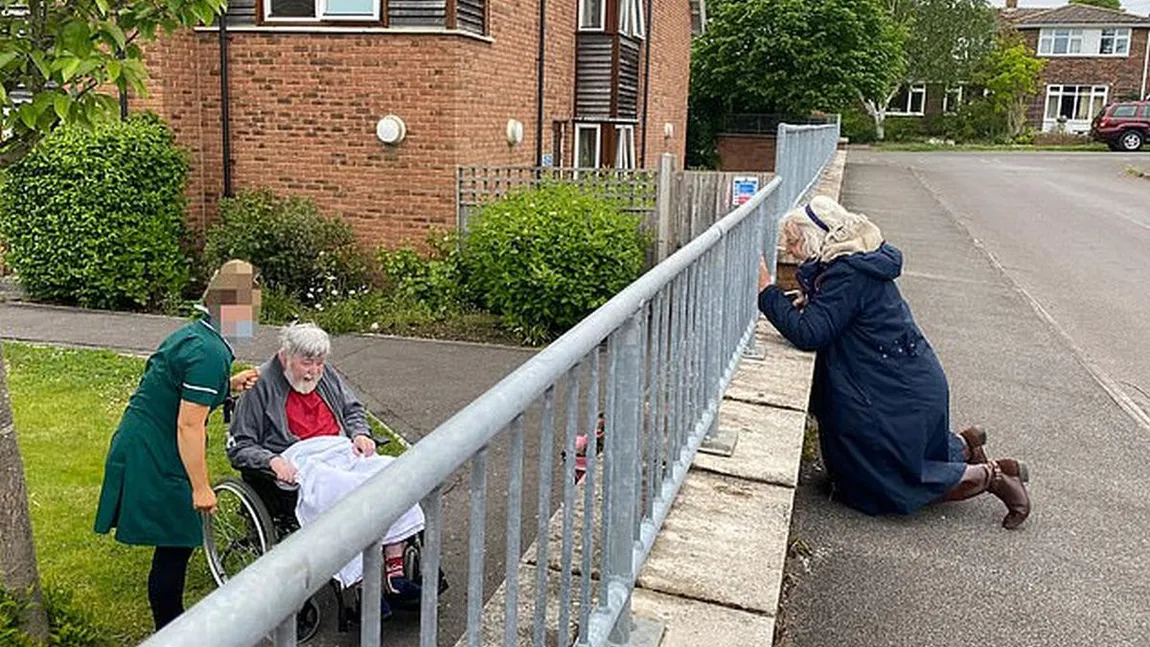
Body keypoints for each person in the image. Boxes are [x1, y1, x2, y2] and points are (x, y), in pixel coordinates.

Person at [756, 195, 1031, 529]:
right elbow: (838, 313)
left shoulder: (847, 275)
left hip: (893, 388)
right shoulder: (853, 263)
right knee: (869, 465)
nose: (789, 249)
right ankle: (965, 445)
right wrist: (813, 299)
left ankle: (995, 476)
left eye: (794, 240)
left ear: (817, 238)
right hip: (904, 379)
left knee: (888, 478)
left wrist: (766, 291)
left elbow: (809, 333)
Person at [94, 260, 263, 630]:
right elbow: (189, 424)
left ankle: (171, 627)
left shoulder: (196, 335)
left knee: (175, 541)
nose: (254, 316)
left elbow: (176, 390)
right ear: (232, 308)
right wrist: (201, 487)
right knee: (177, 541)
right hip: (156, 449)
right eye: (251, 308)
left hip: (148, 438)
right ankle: (171, 630)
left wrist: (228, 384)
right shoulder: (208, 352)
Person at [226, 322, 427, 611]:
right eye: (307, 362)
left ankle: (393, 570)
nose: (314, 371)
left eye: (320, 363)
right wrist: (271, 460)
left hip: (341, 448)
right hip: (299, 458)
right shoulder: (261, 385)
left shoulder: (325, 374)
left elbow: (352, 409)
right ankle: (361, 582)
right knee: (345, 491)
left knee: (393, 474)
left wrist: (360, 433)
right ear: (285, 355)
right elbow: (240, 445)